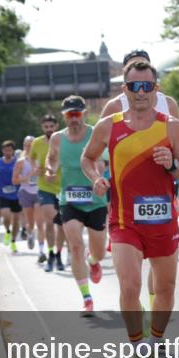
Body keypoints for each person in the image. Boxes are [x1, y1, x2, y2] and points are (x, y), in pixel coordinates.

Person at [80, 60, 179, 358]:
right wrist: (96, 178)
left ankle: (154, 344)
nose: (141, 92)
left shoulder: (171, 126)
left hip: (163, 221)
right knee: (130, 287)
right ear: (125, 89)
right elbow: (88, 158)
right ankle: (140, 352)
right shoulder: (109, 125)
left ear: (156, 89)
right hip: (124, 221)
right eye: (135, 86)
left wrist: (172, 165)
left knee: (165, 289)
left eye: (147, 86)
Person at [47, 96, 108, 316]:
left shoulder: (96, 133)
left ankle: (93, 261)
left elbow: (102, 161)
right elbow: (51, 158)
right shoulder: (57, 138)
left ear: (84, 114)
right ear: (64, 116)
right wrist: (50, 169)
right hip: (69, 199)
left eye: (77, 114)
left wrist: (98, 175)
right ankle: (86, 297)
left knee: (99, 252)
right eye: (70, 115)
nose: (74, 118)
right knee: (75, 246)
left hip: (96, 200)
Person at [31, 114, 64, 267]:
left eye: (51, 126)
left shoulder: (64, 139)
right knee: (50, 221)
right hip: (44, 187)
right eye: (46, 127)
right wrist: (35, 169)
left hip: (63, 186)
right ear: (42, 128)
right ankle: (50, 253)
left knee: (61, 224)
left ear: (56, 126)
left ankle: (59, 254)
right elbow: (31, 158)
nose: (49, 129)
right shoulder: (37, 143)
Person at [0, 140, 22, 254]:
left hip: (17, 194)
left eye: (10, 150)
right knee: (6, 216)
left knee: (16, 220)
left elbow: (23, 173)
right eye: (6, 150)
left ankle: (13, 241)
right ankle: (7, 231)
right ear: (2, 151)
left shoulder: (18, 162)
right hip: (3, 194)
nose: (8, 152)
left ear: (13, 151)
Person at [12, 135, 40, 250]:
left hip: (39, 192)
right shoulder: (21, 162)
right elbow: (14, 180)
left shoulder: (41, 159)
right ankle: (30, 234)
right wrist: (27, 178)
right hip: (25, 192)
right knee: (30, 220)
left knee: (39, 218)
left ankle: (41, 245)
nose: (28, 147)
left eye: (31, 145)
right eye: (26, 145)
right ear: (23, 146)